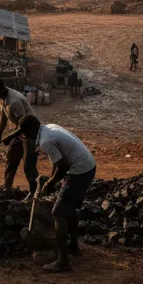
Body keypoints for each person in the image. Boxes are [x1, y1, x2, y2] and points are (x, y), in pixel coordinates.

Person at [19, 115, 96, 273]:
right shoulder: (48, 128)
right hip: (88, 166)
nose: (27, 139)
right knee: (70, 208)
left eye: (25, 135)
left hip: (79, 171)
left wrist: (51, 183)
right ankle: (73, 246)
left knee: (57, 213)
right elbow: (58, 162)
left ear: (31, 130)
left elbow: (62, 166)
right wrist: (52, 180)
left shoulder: (46, 141)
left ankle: (63, 261)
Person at [0, 76, 39, 198]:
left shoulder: (14, 102)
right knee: (11, 158)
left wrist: (10, 137)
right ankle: (7, 188)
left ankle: (36, 192)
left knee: (28, 166)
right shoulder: (2, 97)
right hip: (20, 131)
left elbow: (24, 126)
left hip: (32, 133)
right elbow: (3, 117)